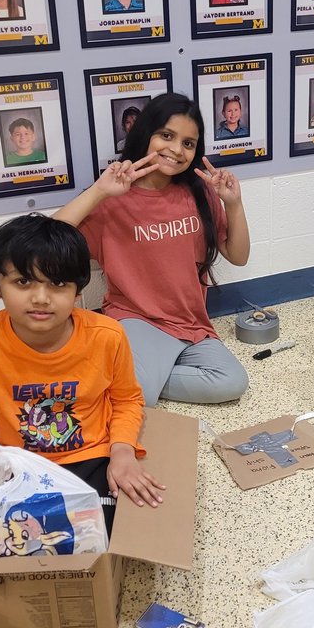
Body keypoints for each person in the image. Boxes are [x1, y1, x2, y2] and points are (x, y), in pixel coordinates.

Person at [0, 214, 163, 554]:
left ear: (77, 290)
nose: (40, 297)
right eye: (23, 282)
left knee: (100, 540)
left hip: (90, 458)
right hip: (14, 464)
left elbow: (126, 401)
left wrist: (122, 451)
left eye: (57, 284)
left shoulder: (107, 336)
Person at [55, 92, 250, 408]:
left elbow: (238, 256)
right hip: (136, 320)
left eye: (188, 143)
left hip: (191, 324)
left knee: (231, 382)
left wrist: (234, 204)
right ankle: (132, 373)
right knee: (138, 399)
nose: (176, 149)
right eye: (167, 135)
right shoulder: (113, 198)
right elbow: (46, 242)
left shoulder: (199, 191)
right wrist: (98, 192)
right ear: (146, 133)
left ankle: (127, 372)